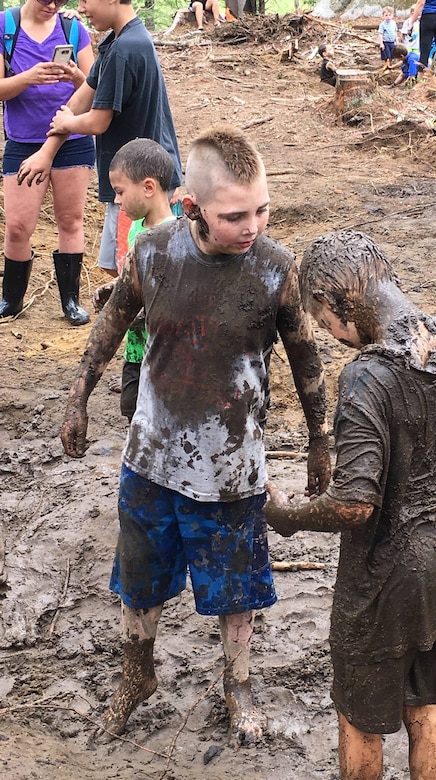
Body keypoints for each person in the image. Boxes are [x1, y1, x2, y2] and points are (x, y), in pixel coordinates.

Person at [59, 124, 331, 744]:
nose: (253, 225)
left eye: (262, 208)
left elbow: (304, 357)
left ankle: (237, 684)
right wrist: (77, 396)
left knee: (237, 588)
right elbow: (112, 319)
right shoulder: (153, 252)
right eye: (235, 215)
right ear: (191, 209)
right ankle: (137, 675)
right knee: (139, 576)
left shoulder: (275, 267)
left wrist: (320, 439)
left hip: (233, 465)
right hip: (151, 455)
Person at [264, 229, 436, 780]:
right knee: (427, 701)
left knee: (358, 715)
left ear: (331, 303)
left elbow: (353, 505)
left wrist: (281, 515)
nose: (332, 335)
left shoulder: (367, 374)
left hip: (386, 573)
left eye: (324, 324)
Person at [16, 0, 182, 280]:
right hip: (132, 181)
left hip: (141, 185)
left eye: (85, 0)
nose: (80, 8)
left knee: (138, 273)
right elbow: (83, 98)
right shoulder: (116, 42)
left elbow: (96, 120)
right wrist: (48, 151)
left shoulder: (125, 50)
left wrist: (68, 122)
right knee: (115, 266)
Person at [0, 0, 95, 324]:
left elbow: (93, 88)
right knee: (17, 227)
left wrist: (75, 77)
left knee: (70, 220)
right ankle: (11, 299)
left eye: (61, 0)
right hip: (23, 141)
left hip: (73, 139)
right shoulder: (5, 27)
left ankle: (70, 300)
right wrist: (28, 77)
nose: (53, 5)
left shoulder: (73, 28)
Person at [93, 139, 178, 422]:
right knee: (131, 410)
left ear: (148, 187)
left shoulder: (177, 236)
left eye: (119, 192)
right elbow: (133, 279)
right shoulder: (135, 228)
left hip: (166, 353)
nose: (116, 200)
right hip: (135, 349)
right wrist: (115, 290)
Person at [407, 0, 436, 70]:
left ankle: (421, 77)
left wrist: (411, 23)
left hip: (428, 17)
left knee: (424, 52)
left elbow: (421, 3)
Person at [378, 6, 398, 70]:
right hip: (385, 42)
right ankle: (386, 64)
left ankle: (390, 65)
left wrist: (397, 40)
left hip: (392, 42)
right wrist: (381, 43)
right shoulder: (382, 25)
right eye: (386, 15)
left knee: (392, 54)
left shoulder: (393, 23)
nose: (388, 17)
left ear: (392, 15)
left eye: (390, 15)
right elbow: (380, 34)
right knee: (387, 54)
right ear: (383, 16)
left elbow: (395, 32)